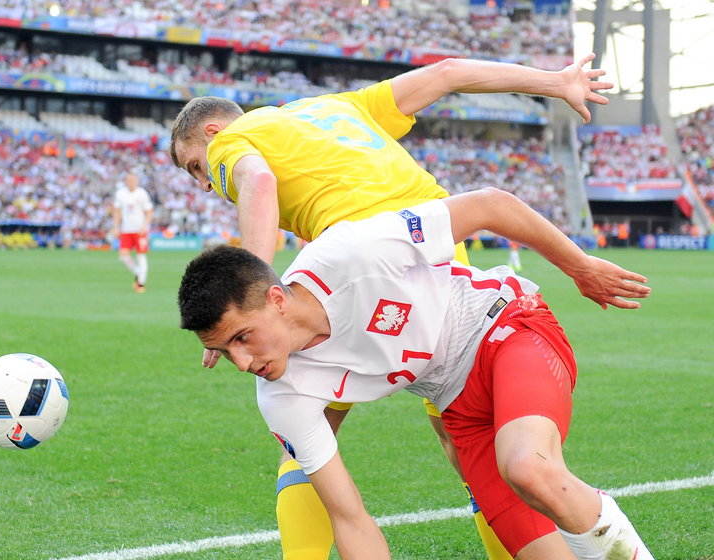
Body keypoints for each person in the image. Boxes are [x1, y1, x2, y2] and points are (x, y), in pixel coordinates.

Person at [170, 53, 614, 559]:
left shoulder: (230, 141)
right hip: (439, 253)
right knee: (467, 441)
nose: (205, 183)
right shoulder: (334, 108)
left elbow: (259, 181)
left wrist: (240, 295)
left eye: (194, 167)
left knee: (304, 434)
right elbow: (447, 73)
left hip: (359, 270)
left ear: (210, 131)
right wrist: (555, 81)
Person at [177, 187, 654, 560]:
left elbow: (490, 205)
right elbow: (350, 518)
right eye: (224, 350)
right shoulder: (281, 397)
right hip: (456, 402)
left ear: (276, 300)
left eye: (241, 337)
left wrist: (581, 267)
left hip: (508, 325)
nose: (242, 363)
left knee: (528, 467)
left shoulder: (350, 253)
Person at [112, 171, 153, 293]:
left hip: (139, 230)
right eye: (129, 180)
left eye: (133, 180)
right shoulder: (121, 194)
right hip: (126, 229)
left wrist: (144, 226)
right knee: (123, 256)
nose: (131, 183)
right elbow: (117, 211)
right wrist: (115, 227)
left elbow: (149, 212)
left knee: (141, 256)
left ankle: (141, 283)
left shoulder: (142, 194)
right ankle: (138, 272)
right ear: (126, 182)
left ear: (136, 181)